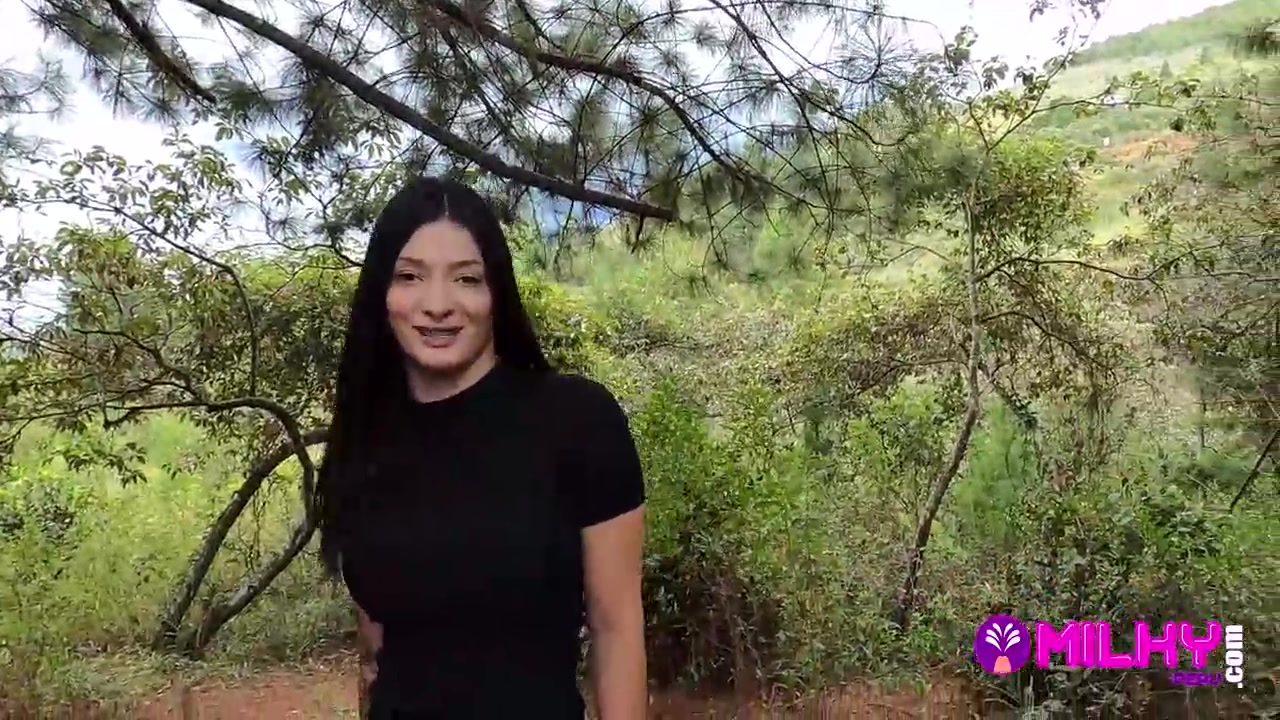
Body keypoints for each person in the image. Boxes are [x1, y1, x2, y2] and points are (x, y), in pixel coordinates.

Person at [313, 175, 648, 719]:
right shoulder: (367, 435)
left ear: (496, 294)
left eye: (466, 279)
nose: (437, 305)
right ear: (382, 295)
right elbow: (375, 651)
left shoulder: (578, 420)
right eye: (410, 277)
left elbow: (617, 629)